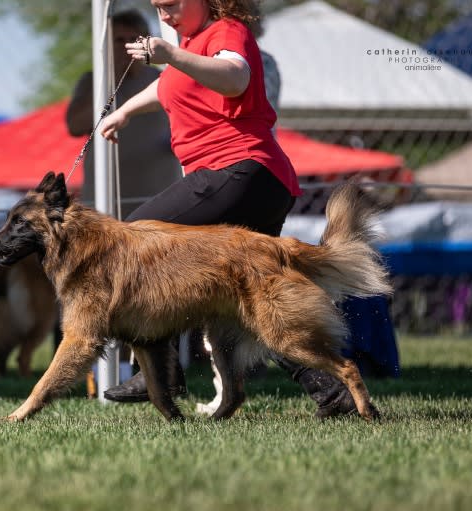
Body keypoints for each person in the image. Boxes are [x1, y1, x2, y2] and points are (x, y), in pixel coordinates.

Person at [100, 0, 358, 418]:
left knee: (133, 237)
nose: (164, 16)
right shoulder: (192, 42)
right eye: (157, 8)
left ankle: (160, 373)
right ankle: (332, 394)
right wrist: (127, 110)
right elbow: (169, 86)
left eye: (171, 5)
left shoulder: (226, 31)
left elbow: (235, 79)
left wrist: (171, 55)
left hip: (239, 171)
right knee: (251, 298)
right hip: (261, 182)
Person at [66, 10, 182, 219]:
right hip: (105, 199)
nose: (127, 46)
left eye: (134, 40)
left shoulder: (164, 78)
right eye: (119, 40)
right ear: (107, 45)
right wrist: (111, 80)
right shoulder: (93, 82)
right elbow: (75, 126)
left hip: (160, 194)